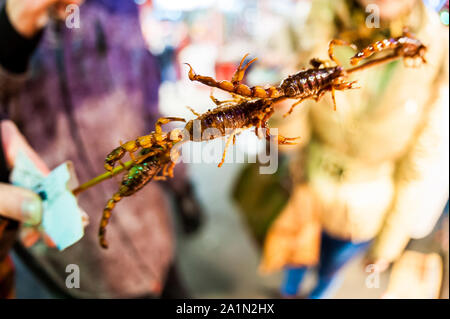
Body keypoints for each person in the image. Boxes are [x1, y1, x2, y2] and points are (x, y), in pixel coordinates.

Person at [236, 0, 449, 298]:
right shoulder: (316, 20)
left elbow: (424, 157)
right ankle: (288, 292)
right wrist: (285, 112)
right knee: (295, 255)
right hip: (307, 182)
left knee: (330, 269)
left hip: (367, 207)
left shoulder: (437, 46)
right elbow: (288, 139)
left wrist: (389, 243)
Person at [0, 0, 202, 298]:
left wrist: (182, 185)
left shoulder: (120, 10)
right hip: (68, 269)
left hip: (152, 239)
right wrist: (13, 28)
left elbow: (151, 107)